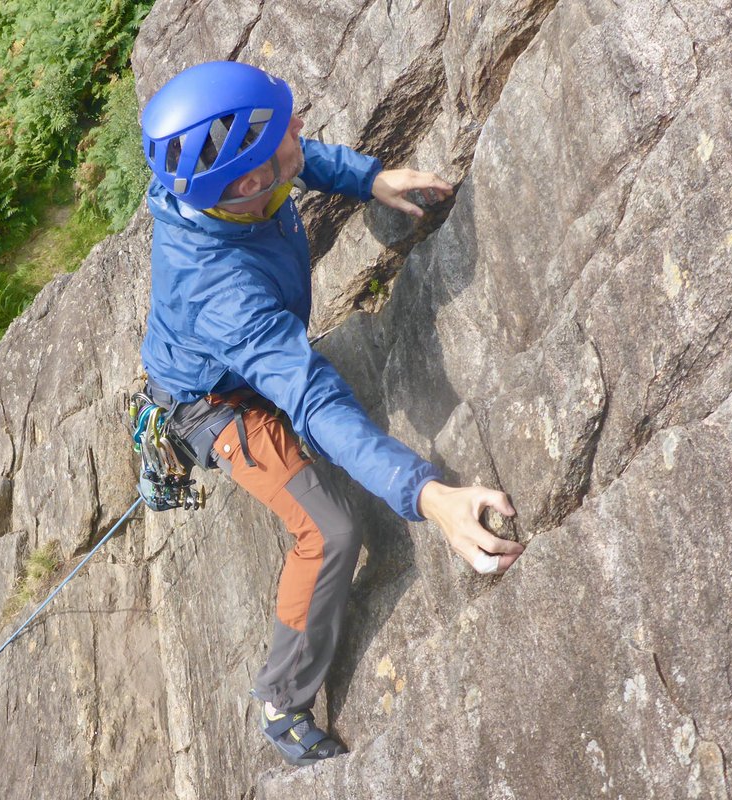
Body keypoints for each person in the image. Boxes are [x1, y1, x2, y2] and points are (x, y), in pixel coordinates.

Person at [138, 61, 524, 766]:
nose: (300, 133)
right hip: (216, 406)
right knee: (331, 531)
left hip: (249, 358)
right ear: (248, 184)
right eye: (283, 138)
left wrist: (369, 178)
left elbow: (296, 160)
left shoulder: (226, 188)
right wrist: (427, 495)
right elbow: (309, 395)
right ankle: (282, 700)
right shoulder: (219, 288)